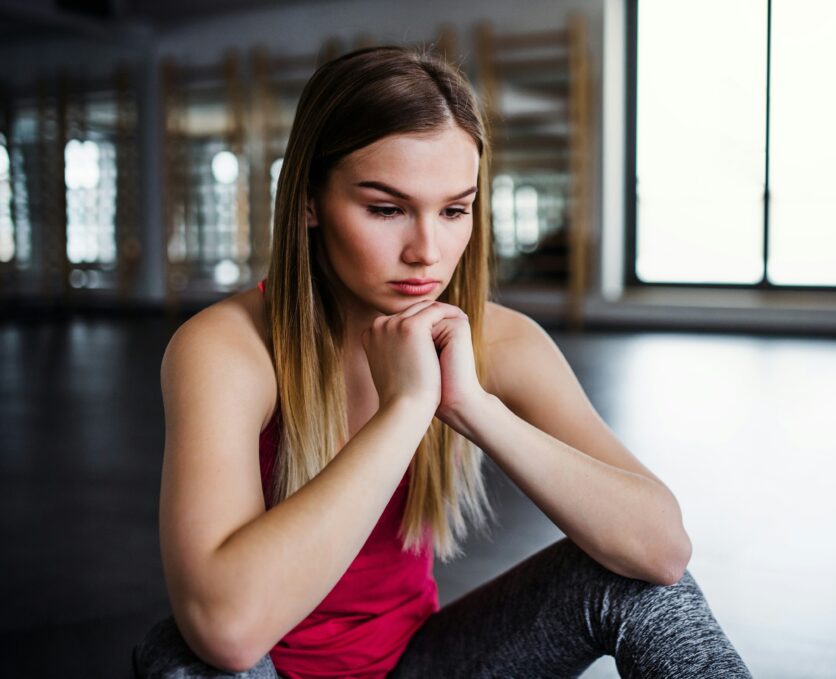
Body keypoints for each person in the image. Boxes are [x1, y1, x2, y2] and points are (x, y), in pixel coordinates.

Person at [133, 46, 752, 679]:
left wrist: (472, 407)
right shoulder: (227, 348)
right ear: (309, 202)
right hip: (270, 669)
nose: (427, 251)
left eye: (454, 210)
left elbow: (664, 550)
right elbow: (228, 631)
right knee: (183, 658)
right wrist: (405, 409)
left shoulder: (499, 341)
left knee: (636, 584)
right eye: (386, 209)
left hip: (420, 666)